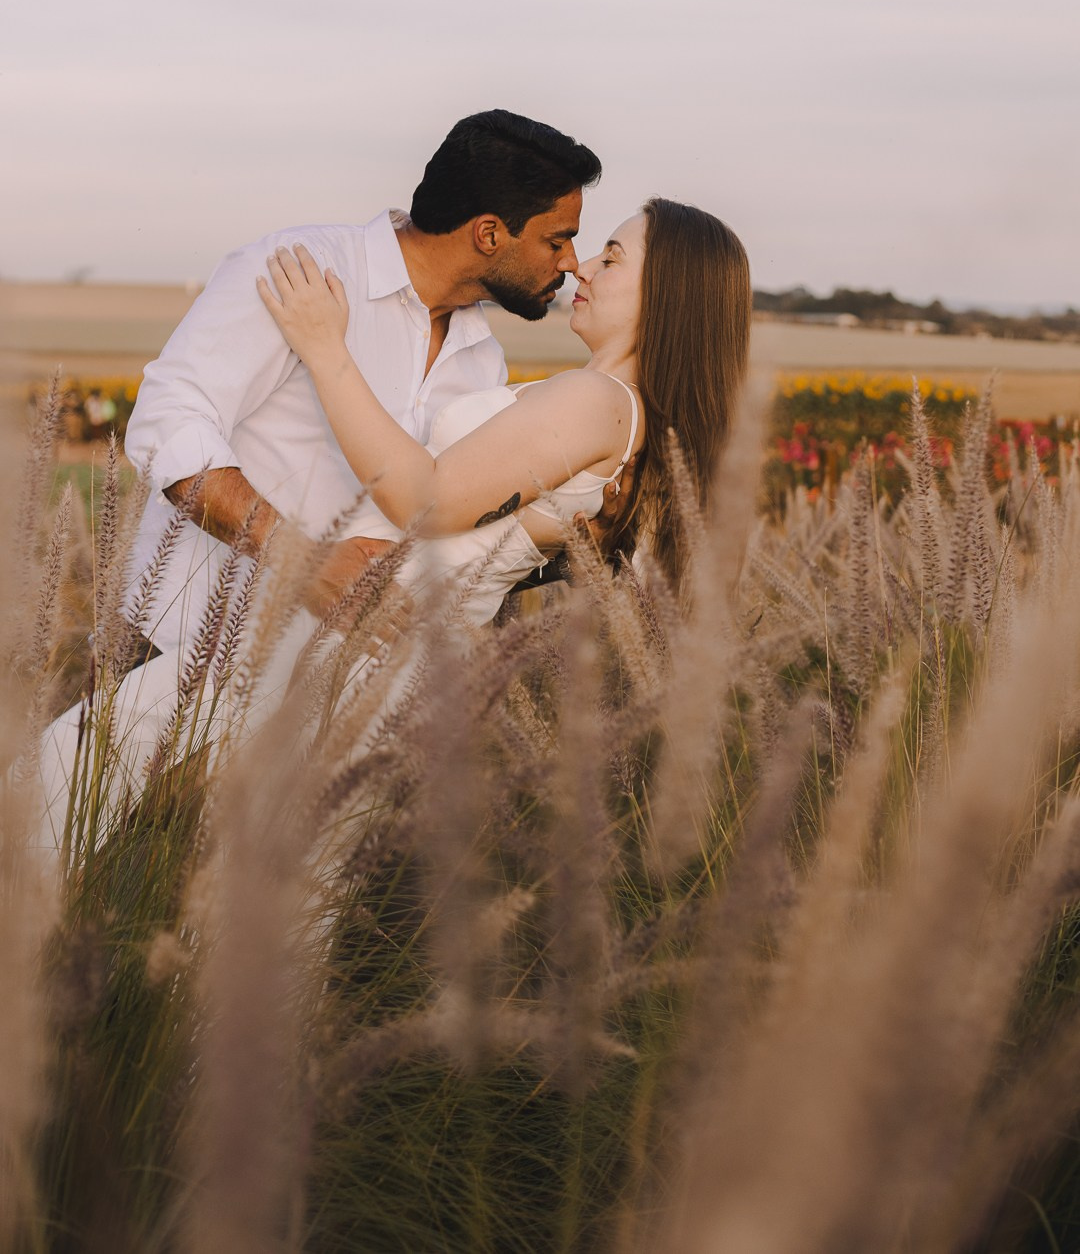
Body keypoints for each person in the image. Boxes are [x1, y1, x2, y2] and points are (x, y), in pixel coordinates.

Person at [35, 109, 602, 850]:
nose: (571, 264)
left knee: (245, 937)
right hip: (180, 650)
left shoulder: (480, 360)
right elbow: (169, 421)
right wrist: (299, 556)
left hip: (330, 697)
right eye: (558, 239)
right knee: (85, 899)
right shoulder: (298, 269)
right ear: (490, 232)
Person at [257, 197, 752, 611]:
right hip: (390, 632)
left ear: (667, 291)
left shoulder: (597, 401)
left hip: (385, 641)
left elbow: (424, 503)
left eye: (612, 258)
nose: (581, 267)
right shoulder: (615, 411)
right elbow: (487, 549)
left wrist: (325, 350)